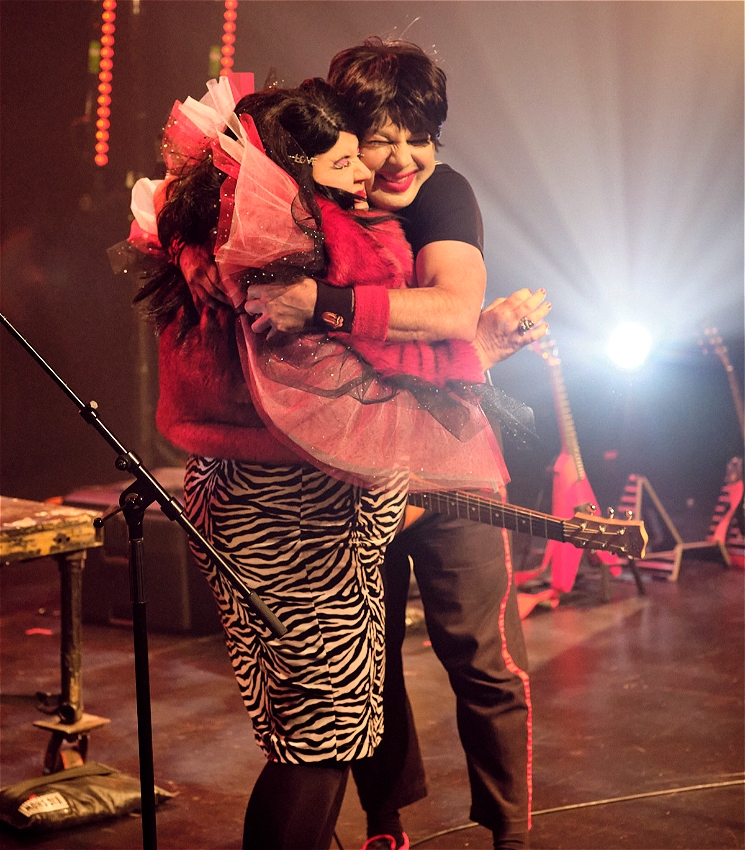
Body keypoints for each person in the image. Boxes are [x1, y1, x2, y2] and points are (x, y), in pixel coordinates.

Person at [116, 74, 509, 850]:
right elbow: (347, 392)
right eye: (344, 164)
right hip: (292, 506)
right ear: (293, 176)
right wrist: (478, 348)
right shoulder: (292, 255)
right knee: (324, 738)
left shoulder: (222, 236)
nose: (367, 174)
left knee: (316, 727)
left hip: (256, 494)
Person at [241, 40, 550, 850]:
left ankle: (510, 833)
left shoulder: (443, 192)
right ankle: (385, 825)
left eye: (422, 136)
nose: (405, 158)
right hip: (346, 468)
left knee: (482, 657)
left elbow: (450, 310)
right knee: (364, 666)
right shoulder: (310, 198)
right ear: (345, 133)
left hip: (448, 451)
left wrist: (323, 303)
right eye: (383, 137)